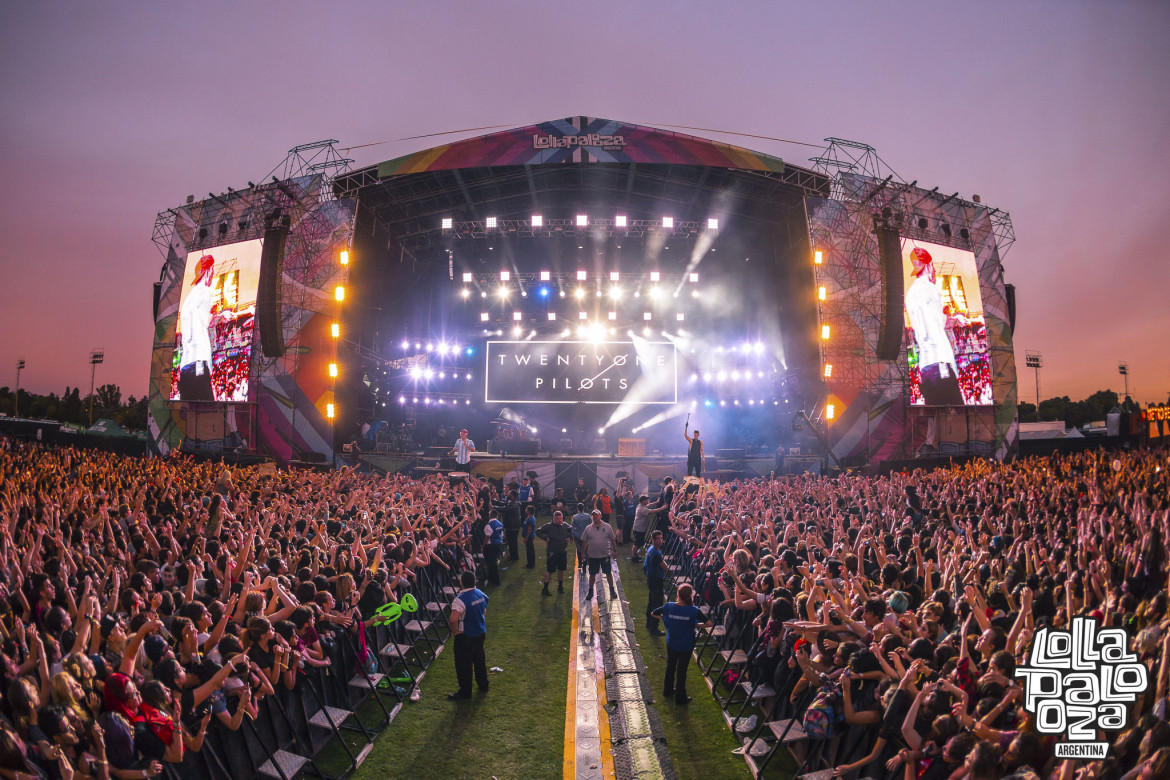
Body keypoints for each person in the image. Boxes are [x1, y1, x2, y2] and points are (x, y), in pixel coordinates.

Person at [905, 246, 964, 405]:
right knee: (958, 417)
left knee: (935, 420)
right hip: (940, 362)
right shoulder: (930, 288)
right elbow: (942, 322)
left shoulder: (910, 294)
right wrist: (956, 318)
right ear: (928, 266)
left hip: (925, 367)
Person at [652, 583, 710, 704]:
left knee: (670, 666)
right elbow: (709, 623)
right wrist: (696, 625)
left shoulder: (668, 606)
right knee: (682, 671)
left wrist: (668, 619)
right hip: (686, 644)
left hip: (672, 641)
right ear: (690, 596)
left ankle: (667, 690)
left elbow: (653, 613)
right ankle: (680, 697)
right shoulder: (694, 610)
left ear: (678, 594)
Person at [177, 253, 216, 401]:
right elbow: (207, 322)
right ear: (208, 271)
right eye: (212, 270)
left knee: (191, 417)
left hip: (185, 368)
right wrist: (221, 315)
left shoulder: (189, 298)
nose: (213, 274)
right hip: (198, 364)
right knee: (208, 413)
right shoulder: (205, 292)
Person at [447, 571, 489, 700]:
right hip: (480, 632)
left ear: (461, 582)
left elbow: (453, 620)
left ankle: (465, 692)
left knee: (464, 665)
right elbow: (484, 610)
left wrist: (455, 633)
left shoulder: (459, 600)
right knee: (479, 660)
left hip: (466, 637)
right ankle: (483, 685)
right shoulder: (481, 594)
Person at [580, 509, 618, 601]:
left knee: (608, 573)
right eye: (593, 515)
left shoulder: (607, 527)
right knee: (592, 574)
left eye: (596, 515)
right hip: (593, 556)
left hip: (605, 555)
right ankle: (590, 591)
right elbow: (584, 541)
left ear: (600, 516)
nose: (595, 516)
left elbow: (612, 539)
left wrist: (614, 550)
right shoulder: (588, 528)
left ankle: (612, 590)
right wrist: (582, 552)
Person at [536, 510, 573, 595]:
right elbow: (537, 531)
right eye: (558, 519)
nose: (560, 520)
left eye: (561, 518)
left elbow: (571, 530)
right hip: (552, 552)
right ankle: (545, 589)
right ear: (554, 518)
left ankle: (560, 587)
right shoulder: (548, 526)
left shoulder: (565, 525)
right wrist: (545, 538)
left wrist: (569, 538)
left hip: (562, 551)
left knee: (561, 570)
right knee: (550, 570)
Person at [643, 530, 668, 636]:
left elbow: (644, 566)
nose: (660, 540)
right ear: (653, 539)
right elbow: (665, 567)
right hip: (656, 580)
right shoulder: (656, 552)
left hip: (651, 579)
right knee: (657, 604)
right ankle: (654, 628)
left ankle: (649, 623)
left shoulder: (651, 549)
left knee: (651, 602)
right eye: (658, 538)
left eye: (661, 538)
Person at [631, 494, 667, 563]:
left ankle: (636, 555)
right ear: (643, 501)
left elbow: (649, 505)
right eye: (646, 500)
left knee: (639, 543)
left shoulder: (642, 506)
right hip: (639, 529)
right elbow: (651, 512)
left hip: (640, 528)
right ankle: (634, 557)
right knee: (637, 544)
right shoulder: (642, 509)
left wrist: (656, 502)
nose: (648, 501)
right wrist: (662, 508)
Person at [482, 511, 505, 586]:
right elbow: (501, 534)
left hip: (491, 545)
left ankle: (495, 581)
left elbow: (487, 536)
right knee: (493, 562)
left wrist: (483, 545)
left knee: (491, 564)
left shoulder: (489, 525)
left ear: (489, 516)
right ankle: (492, 579)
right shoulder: (500, 523)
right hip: (498, 544)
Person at [570, 503, 592, 572]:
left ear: (577, 509)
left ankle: (580, 563)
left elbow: (572, 527)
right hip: (586, 536)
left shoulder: (575, 517)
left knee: (579, 549)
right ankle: (587, 562)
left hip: (578, 536)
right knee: (586, 549)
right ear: (583, 508)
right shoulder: (588, 516)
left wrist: (572, 536)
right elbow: (591, 524)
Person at [521, 504, 537, 569]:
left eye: (526, 509)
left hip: (529, 537)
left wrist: (526, 538)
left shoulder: (531, 518)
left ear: (528, 510)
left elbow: (529, 529)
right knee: (530, 550)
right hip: (529, 536)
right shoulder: (529, 517)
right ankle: (531, 563)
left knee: (530, 551)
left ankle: (530, 564)